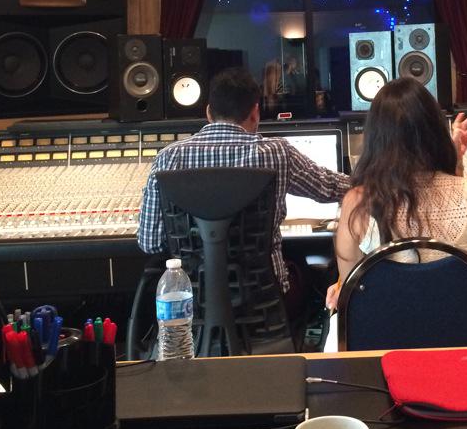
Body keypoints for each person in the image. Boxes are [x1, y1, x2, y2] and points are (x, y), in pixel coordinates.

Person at [138, 67, 351, 304]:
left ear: (208, 112)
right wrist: (372, 178)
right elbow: (330, 187)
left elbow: (150, 242)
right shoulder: (278, 153)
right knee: (311, 272)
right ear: (255, 113)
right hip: (264, 300)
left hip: (191, 302)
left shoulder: (168, 158)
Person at [324, 77, 467, 314]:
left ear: (375, 137)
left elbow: (351, 287)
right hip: (461, 332)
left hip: (384, 335)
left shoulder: (358, 202)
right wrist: (455, 165)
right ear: (436, 129)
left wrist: (341, 285)